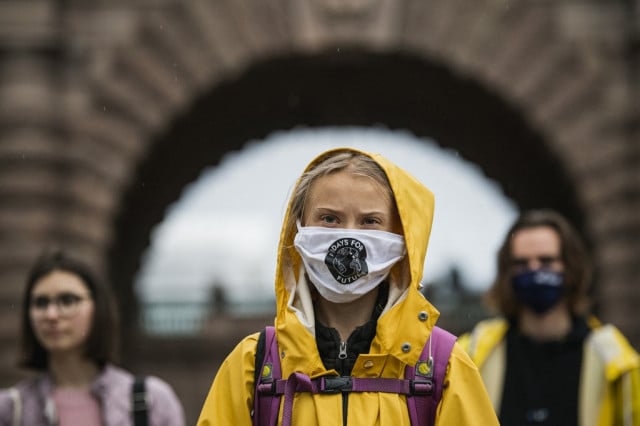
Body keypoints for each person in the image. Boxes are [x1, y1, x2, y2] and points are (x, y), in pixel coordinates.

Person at [197, 147, 499, 425]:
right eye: (329, 218)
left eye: (370, 221)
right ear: (298, 228)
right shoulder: (253, 365)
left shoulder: (442, 367)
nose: (348, 237)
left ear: (404, 237)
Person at [459, 209, 640, 425]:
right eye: (522, 263)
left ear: (570, 267)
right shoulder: (474, 355)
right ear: (507, 272)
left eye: (546, 261)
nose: (534, 270)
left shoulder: (615, 362)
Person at [0, 249, 186, 426]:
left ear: (98, 308)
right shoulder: (11, 410)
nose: (51, 315)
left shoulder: (151, 401)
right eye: (41, 303)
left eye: (67, 300)